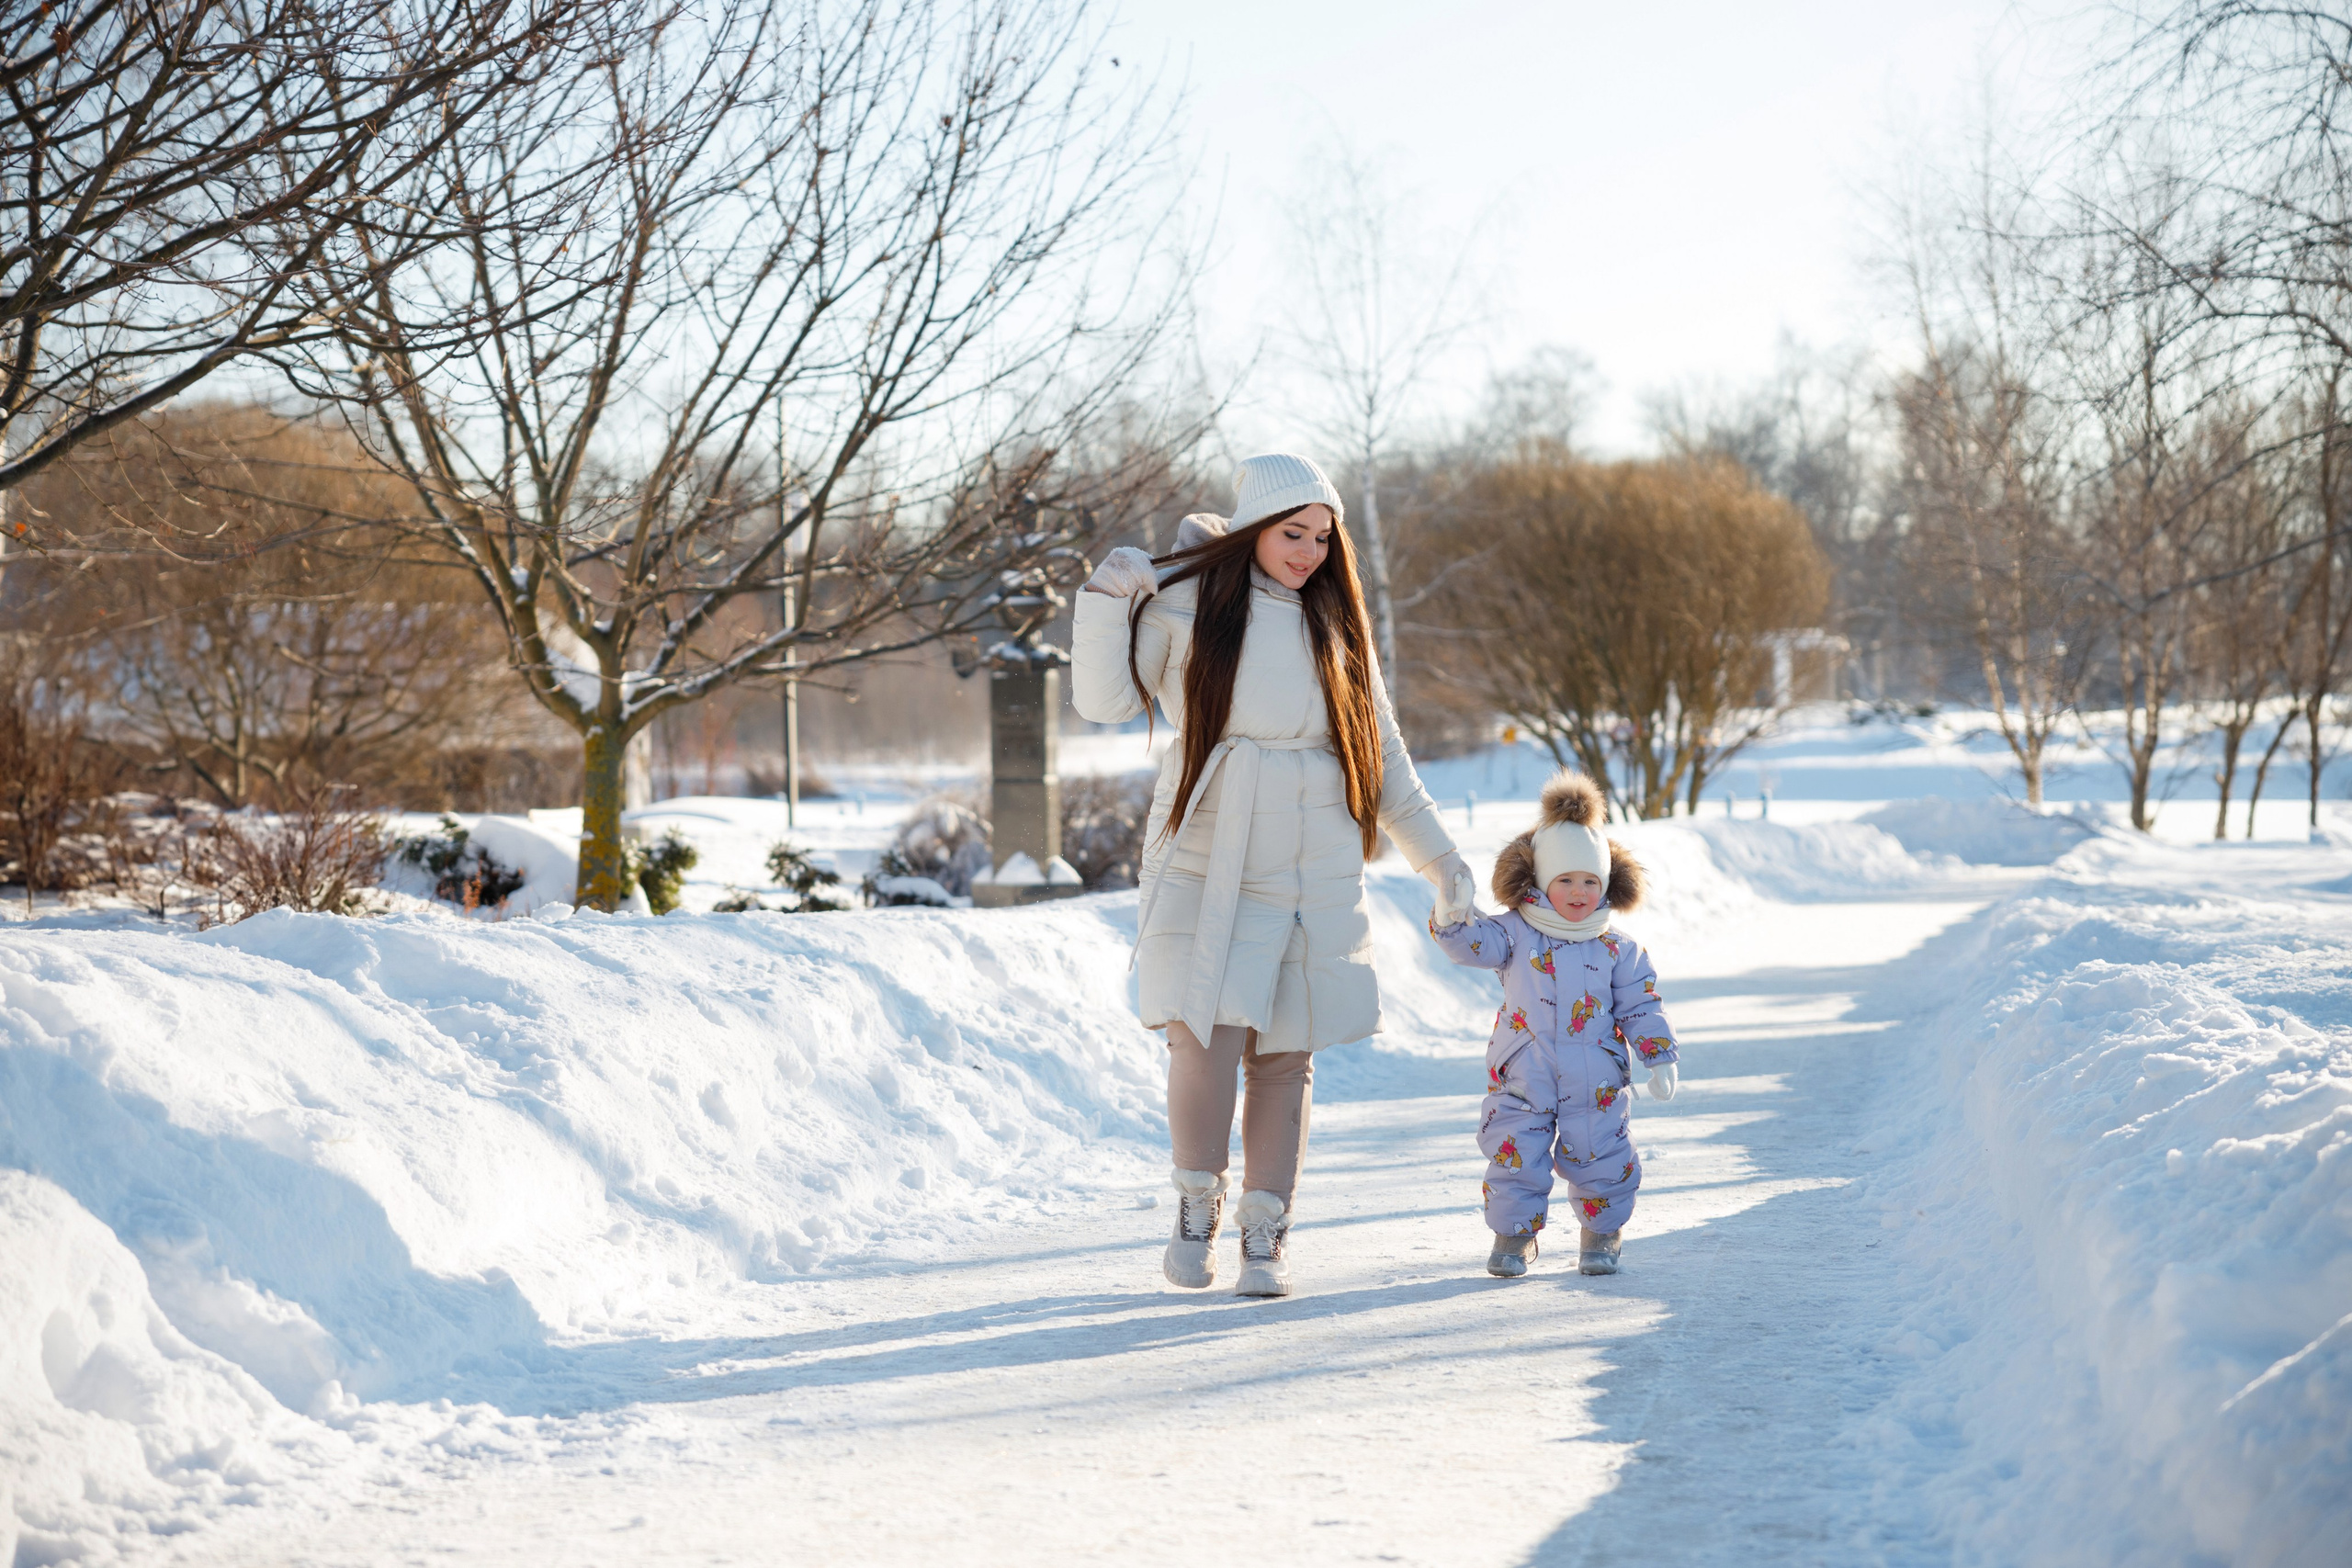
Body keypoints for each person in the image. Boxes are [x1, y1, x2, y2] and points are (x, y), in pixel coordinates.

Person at [1071, 452, 1473, 1298]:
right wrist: (1107, 603)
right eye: (1293, 534)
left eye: (1323, 538)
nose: (1309, 552)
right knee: (1202, 1031)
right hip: (1211, 844)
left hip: (1315, 859)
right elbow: (1105, 701)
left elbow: (1386, 760)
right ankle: (1194, 1204)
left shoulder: (1337, 628)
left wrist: (1441, 862)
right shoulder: (1186, 605)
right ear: (1255, 527)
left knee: (1286, 1054)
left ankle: (1266, 1232)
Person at [1426, 770, 1681, 1278]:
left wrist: (1658, 1055)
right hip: (1524, 1072)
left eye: (1590, 881)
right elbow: (1467, 943)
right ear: (1541, 882)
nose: (1579, 891)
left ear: (1606, 884)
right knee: (1515, 1150)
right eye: (1565, 879)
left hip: (1596, 1079)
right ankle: (1513, 1237)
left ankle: (1601, 1234)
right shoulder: (1514, 934)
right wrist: (1452, 913)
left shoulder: (1617, 948)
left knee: (1602, 1154)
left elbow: (1641, 1005)